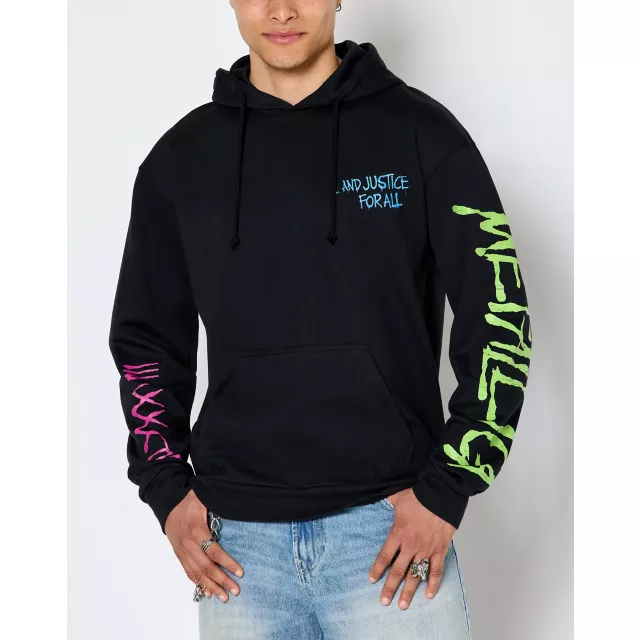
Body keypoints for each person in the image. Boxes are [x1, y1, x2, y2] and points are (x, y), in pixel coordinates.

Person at [108, 1, 532, 638]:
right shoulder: (179, 162)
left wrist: (450, 487)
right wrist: (167, 490)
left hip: (390, 534)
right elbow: (146, 340)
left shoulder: (423, 135)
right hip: (238, 550)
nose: (281, 9)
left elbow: (499, 313)